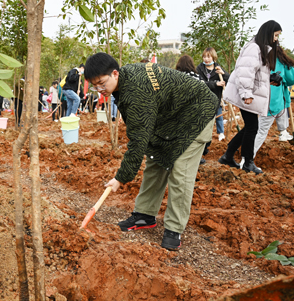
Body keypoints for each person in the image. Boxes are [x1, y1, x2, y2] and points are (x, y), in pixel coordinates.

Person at [85, 53, 217, 250]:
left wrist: (120, 178)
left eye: (102, 84)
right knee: (156, 159)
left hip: (196, 113)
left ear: (115, 73)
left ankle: (174, 229)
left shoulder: (136, 90)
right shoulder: (125, 79)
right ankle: (144, 216)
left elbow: (138, 141)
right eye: (95, 86)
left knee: (181, 171)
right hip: (172, 118)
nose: (100, 90)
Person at [219, 20, 283, 174]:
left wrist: (269, 79)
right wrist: (246, 94)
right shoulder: (254, 48)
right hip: (247, 94)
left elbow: (256, 74)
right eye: (275, 35)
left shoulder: (260, 48)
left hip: (250, 93)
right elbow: (244, 72)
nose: (276, 39)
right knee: (252, 127)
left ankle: (228, 156)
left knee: (250, 126)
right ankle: (248, 162)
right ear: (268, 33)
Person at [253, 46, 294, 155]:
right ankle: (248, 157)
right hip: (272, 100)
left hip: (260, 97)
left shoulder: (260, 59)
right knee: (261, 130)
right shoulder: (281, 62)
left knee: (282, 108)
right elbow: (293, 79)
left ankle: (283, 131)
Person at [196, 48, 230, 142]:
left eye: (208, 56)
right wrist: (215, 84)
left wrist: (223, 74)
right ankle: (205, 137)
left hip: (216, 98)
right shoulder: (200, 69)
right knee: (205, 120)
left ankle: (221, 134)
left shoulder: (217, 68)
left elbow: (229, 79)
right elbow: (200, 83)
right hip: (204, 99)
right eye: (204, 56)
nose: (206, 59)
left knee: (219, 116)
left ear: (213, 57)